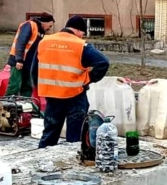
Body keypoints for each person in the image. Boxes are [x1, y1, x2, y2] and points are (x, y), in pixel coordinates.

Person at [31, 15, 110, 148]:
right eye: (82, 34)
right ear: (79, 31)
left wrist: (38, 88)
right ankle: (72, 163)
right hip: (75, 95)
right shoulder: (80, 45)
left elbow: (34, 69)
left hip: (52, 95)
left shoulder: (44, 41)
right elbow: (103, 63)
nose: (81, 37)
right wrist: (88, 79)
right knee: (75, 136)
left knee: (49, 133)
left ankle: (42, 160)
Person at [5, 13, 55, 98]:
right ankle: (8, 105)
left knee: (27, 86)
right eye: (49, 26)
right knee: (15, 84)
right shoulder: (30, 25)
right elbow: (21, 43)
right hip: (19, 61)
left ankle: (24, 106)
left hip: (29, 62)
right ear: (45, 22)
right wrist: (19, 60)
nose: (49, 29)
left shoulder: (41, 32)